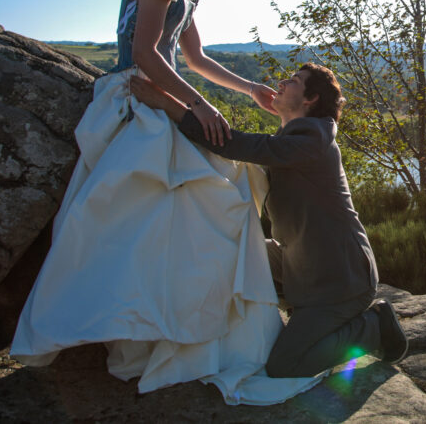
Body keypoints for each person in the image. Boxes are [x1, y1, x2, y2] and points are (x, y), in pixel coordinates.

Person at [11, 0, 321, 405]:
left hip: (162, 95)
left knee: (219, 191)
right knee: (170, 203)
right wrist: (197, 106)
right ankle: (143, 323)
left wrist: (249, 91)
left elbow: (194, 57)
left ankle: (177, 320)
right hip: (137, 95)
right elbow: (145, 53)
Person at [129, 63, 408, 377]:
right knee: (235, 252)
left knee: (284, 366)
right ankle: (281, 315)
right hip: (304, 265)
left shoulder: (311, 140)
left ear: (310, 99)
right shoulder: (296, 135)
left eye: (293, 81)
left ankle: (374, 326)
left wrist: (169, 105)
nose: (282, 81)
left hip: (340, 280)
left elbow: (240, 145)